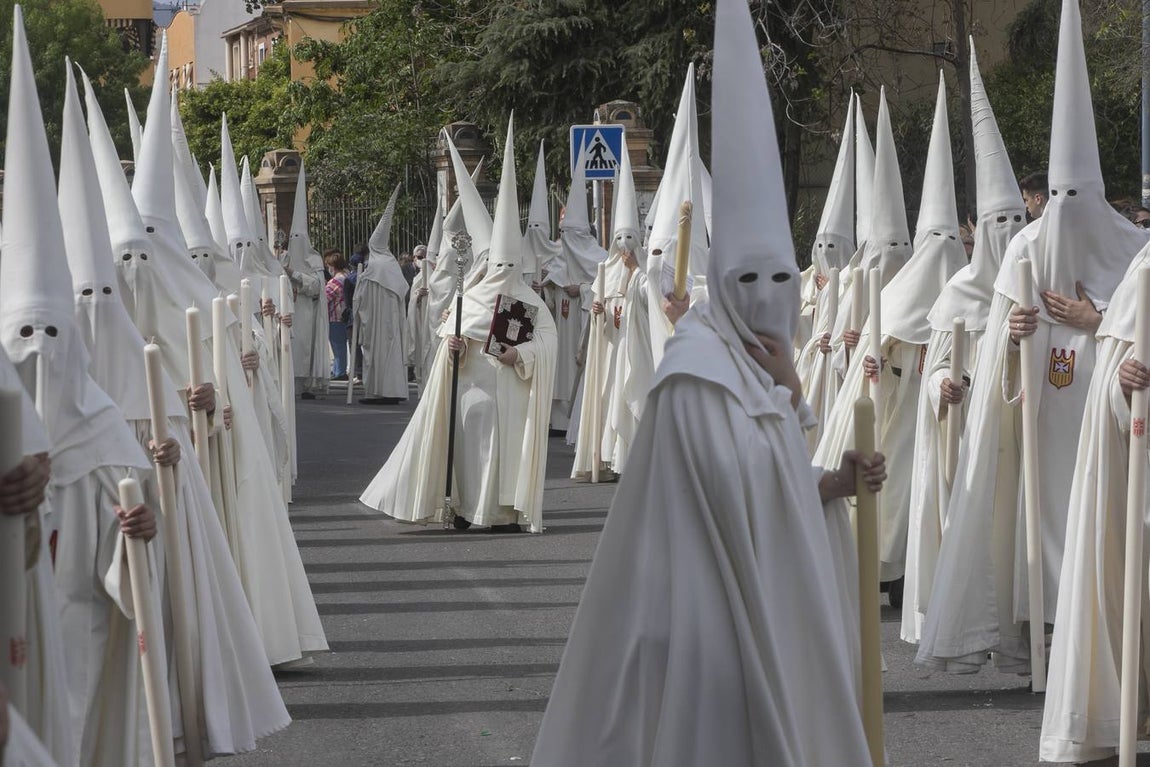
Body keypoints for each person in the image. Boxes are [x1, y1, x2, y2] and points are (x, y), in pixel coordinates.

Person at [531, 1, 878, 759]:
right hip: (707, 629)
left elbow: (777, 484)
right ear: (721, 281)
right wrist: (791, 408)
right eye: (747, 276)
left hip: (771, 617)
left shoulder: (766, 370)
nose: (766, 294)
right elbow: (735, 503)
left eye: (781, 276)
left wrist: (832, 476)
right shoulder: (694, 373)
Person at [917, 0, 1150, 677]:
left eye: (1079, 196)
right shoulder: (1024, 246)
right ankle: (1041, 643)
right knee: (1042, 538)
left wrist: (1095, 321)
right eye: (1058, 196)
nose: (1065, 215)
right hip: (1043, 428)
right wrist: (1010, 335)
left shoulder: (1132, 251)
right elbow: (997, 355)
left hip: (1103, 434)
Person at [360, 117, 557, 534]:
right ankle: (465, 508)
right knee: (470, 453)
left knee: (503, 452)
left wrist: (518, 353)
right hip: (470, 391)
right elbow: (449, 333)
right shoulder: (473, 297)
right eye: (496, 264)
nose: (502, 271)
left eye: (509, 264)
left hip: (512, 393)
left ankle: (503, 513)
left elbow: (548, 342)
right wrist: (454, 346)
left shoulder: (530, 300)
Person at [814, 73, 967, 601]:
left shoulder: (966, 290)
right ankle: (878, 571)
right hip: (891, 416)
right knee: (890, 497)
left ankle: (913, 578)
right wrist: (865, 359)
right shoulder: (884, 293)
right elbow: (848, 365)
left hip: (929, 417)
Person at [901, 41, 1028, 644]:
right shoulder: (956, 293)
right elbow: (937, 364)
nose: (1009, 234)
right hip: (972, 438)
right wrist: (940, 387)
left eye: (1017, 223)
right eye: (998, 223)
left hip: (1024, 432)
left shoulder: (1040, 283)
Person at [355, 186, 410, 405]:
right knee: (392, 354)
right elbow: (403, 289)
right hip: (392, 322)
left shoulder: (372, 268)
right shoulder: (392, 264)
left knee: (377, 355)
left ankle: (378, 391)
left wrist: (361, 286)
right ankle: (393, 390)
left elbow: (362, 297)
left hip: (377, 324)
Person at [284, 163, 331, 400]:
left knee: (304, 349)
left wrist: (294, 274)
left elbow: (315, 287)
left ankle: (305, 385)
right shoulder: (285, 257)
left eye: (297, 238)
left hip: (307, 313)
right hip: (291, 311)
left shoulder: (313, 258)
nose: (294, 241)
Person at [325, 249, 350, 380]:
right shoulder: (347, 277)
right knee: (340, 345)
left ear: (333, 267)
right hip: (344, 316)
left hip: (335, 316)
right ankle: (337, 370)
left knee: (337, 346)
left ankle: (339, 371)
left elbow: (325, 297)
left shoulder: (335, 281)